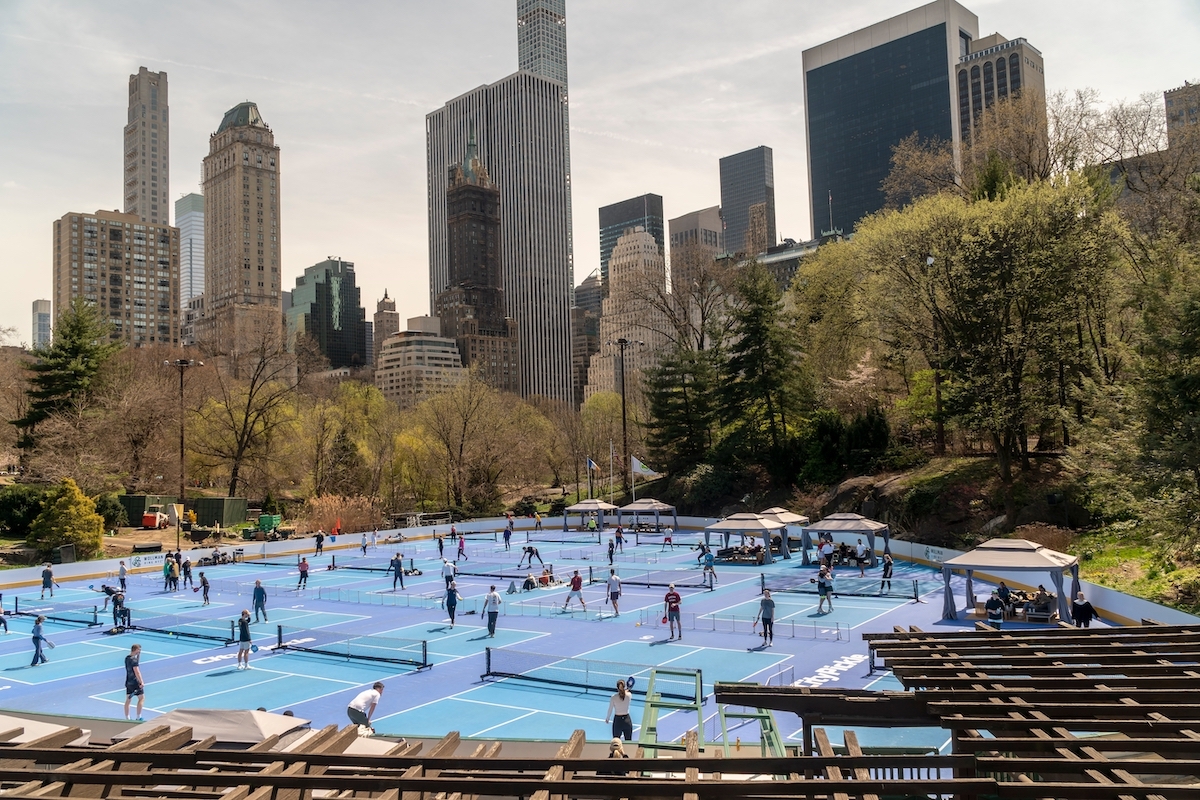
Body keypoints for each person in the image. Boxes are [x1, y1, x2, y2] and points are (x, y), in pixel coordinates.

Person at [124, 644, 145, 721]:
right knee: (141, 698)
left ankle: (127, 718)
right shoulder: (134, 660)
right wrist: (141, 682)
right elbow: (137, 672)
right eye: (139, 649)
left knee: (128, 700)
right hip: (135, 682)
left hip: (128, 682)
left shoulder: (127, 658)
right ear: (136, 649)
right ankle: (138, 717)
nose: (139, 651)